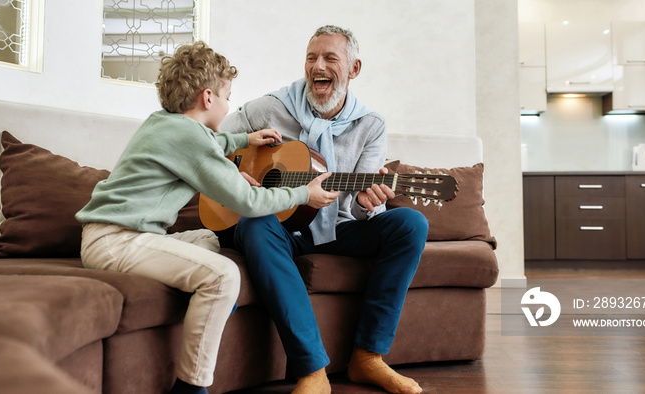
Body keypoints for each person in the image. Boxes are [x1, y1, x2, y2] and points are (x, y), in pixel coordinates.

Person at [75, 41, 339, 394]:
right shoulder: (189, 139)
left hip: (117, 237)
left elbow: (206, 142)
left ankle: (209, 313)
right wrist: (306, 193)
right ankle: (191, 388)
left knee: (211, 240)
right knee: (223, 276)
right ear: (208, 98)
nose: (230, 105)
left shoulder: (164, 123)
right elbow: (247, 199)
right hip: (117, 242)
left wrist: (244, 138)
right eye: (228, 97)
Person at [222, 25, 428, 394]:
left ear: (354, 68)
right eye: (311, 58)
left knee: (411, 223)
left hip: (339, 227)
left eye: (330, 58)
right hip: (283, 228)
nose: (318, 65)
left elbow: (362, 199)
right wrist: (236, 176)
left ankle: (368, 358)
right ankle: (312, 371)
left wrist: (369, 204)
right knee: (254, 225)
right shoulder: (271, 107)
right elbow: (213, 144)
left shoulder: (371, 125)